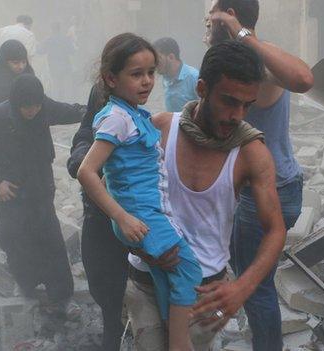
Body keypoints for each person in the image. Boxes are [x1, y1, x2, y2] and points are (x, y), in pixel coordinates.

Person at [125, 40, 287, 351]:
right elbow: (119, 192)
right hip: (146, 279)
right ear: (202, 88)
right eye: (228, 101)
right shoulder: (160, 129)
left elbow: (275, 229)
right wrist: (140, 244)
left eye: (246, 105)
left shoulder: (251, 154)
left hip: (204, 293)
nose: (237, 115)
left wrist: (242, 287)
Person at [76, 33, 202, 351]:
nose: (146, 81)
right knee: (189, 269)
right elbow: (86, 171)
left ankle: (166, 327)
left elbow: (120, 167)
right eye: (136, 74)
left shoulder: (132, 113)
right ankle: (179, 344)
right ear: (111, 78)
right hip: (140, 217)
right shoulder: (116, 118)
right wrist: (122, 216)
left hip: (145, 212)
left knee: (163, 275)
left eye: (150, 73)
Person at [205, 1, 314, 349]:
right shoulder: (247, 63)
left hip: (269, 191)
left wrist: (240, 33)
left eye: (211, 19)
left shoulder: (261, 65)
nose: (205, 27)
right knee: (254, 280)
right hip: (270, 186)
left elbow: (303, 79)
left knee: (255, 288)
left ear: (228, 19)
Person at [0, 74, 84, 317]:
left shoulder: (43, 108)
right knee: (16, 241)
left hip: (41, 189)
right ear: (16, 102)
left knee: (51, 241)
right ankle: (28, 288)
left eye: (37, 106)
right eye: (27, 107)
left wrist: (98, 106)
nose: (33, 111)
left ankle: (61, 295)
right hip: (12, 194)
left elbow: (70, 112)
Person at [67, 83, 129, 351]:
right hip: (97, 214)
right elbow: (80, 147)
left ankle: (119, 327)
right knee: (98, 278)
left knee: (127, 278)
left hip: (129, 218)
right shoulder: (93, 120)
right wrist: (87, 163)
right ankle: (114, 320)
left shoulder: (135, 124)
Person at [0, 40, 35, 110]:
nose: (21, 67)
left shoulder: (28, 71)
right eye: (15, 63)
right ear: (5, 62)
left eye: (24, 62)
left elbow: (36, 93)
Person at [152, 37, 199, 112]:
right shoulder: (165, 76)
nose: (155, 64)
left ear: (171, 57)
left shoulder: (194, 77)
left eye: (158, 59)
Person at [38, 22, 76, 102]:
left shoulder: (48, 39)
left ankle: (57, 102)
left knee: (56, 85)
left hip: (54, 66)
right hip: (66, 66)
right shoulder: (65, 39)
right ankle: (69, 102)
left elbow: (40, 51)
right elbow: (72, 51)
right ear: (59, 29)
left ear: (51, 29)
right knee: (67, 86)